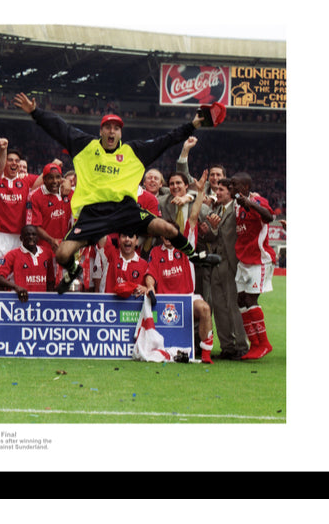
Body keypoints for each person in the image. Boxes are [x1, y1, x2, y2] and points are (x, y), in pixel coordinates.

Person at [13, 93, 221, 294]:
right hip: (92, 214)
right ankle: (74, 270)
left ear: (120, 133)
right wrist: (35, 112)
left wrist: (193, 125)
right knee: (62, 254)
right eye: (107, 127)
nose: (112, 132)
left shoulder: (134, 151)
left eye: (116, 128)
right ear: (101, 131)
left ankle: (194, 257)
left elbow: (167, 140)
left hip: (126, 210)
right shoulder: (85, 145)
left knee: (166, 228)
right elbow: (59, 128)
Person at [143, 170, 216, 364]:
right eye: (165, 234)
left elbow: (193, 217)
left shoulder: (185, 247)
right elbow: (150, 273)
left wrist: (199, 193)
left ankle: (206, 354)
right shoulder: (156, 252)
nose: (168, 237)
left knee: (205, 309)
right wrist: (150, 285)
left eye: (171, 234)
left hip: (186, 299)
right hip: (164, 300)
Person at [228, 172, 277, 360]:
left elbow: (269, 217)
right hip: (243, 260)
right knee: (240, 300)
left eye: (234, 185)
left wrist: (250, 204)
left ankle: (264, 343)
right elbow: (227, 186)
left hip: (259, 260)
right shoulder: (234, 203)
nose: (231, 188)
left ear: (245, 188)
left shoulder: (257, 200)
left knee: (250, 300)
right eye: (230, 185)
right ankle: (254, 344)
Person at [205, 178, 249, 360]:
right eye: (217, 190)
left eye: (221, 190)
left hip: (232, 264)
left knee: (233, 306)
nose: (218, 192)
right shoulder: (216, 210)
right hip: (217, 263)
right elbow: (214, 238)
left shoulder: (237, 209)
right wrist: (212, 229)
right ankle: (227, 347)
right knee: (219, 307)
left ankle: (241, 346)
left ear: (230, 192)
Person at [0, 146, 38, 260]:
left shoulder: (26, 180)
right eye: (10, 160)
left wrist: (55, 164)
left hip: (20, 237)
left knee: (16, 274)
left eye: (17, 161)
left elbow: (47, 178)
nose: (14, 163)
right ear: (4, 162)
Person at [27, 162, 72, 283]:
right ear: (44, 179)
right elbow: (34, 226)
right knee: (47, 283)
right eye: (50, 177)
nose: (54, 181)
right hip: (44, 248)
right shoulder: (34, 196)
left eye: (58, 177)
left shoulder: (69, 193)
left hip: (65, 249)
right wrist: (52, 241)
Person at [0, 225, 55, 302]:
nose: (31, 237)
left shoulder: (47, 253)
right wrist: (16, 287)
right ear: (21, 238)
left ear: (38, 238)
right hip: (19, 301)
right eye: (27, 235)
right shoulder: (12, 254)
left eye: (34, 234)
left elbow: (50, 281)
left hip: (40, 302)